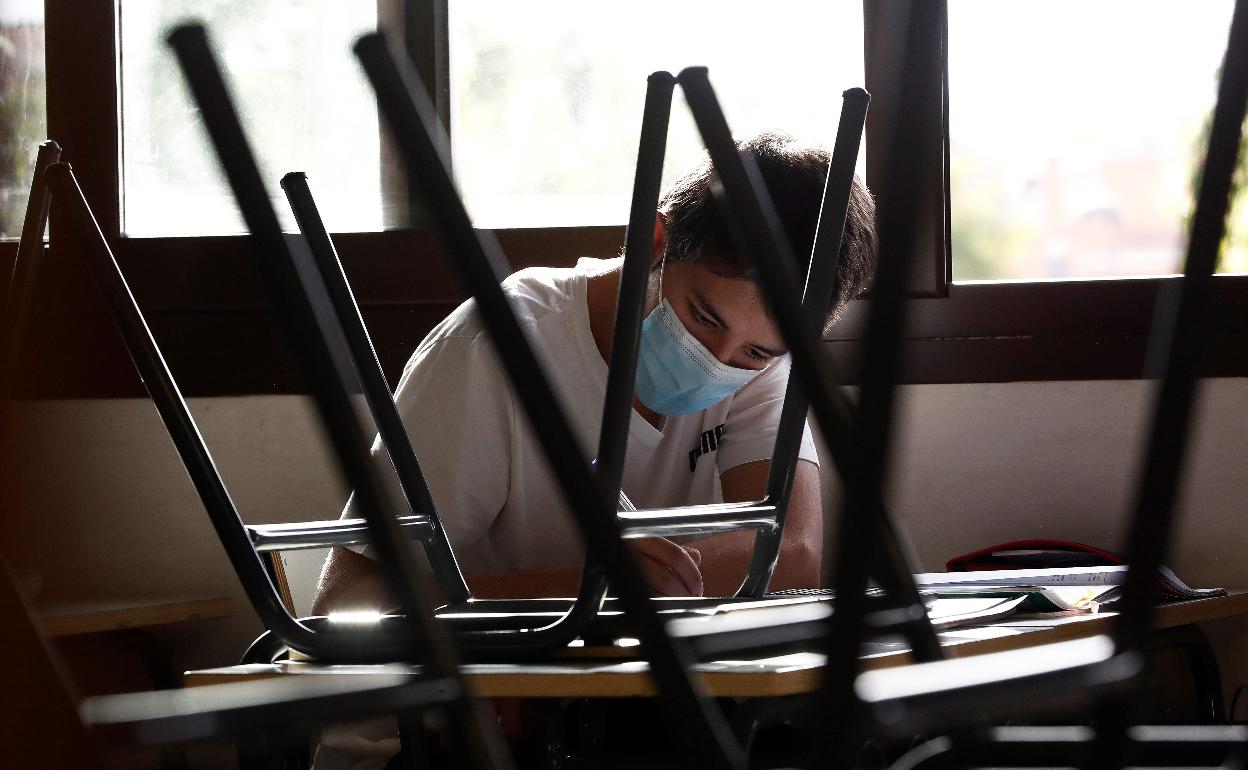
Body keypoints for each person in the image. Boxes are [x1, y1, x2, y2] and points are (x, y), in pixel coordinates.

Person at [311, 130, 876, 616]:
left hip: (619, 718)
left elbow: (792, 553)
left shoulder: (760, 358)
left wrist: (646, 585)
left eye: (755, 354)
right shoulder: (502, 344)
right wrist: (587, 591)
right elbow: (346, 602)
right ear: (657, 240)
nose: (718, 360)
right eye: (702, 317)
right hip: (449, 723)